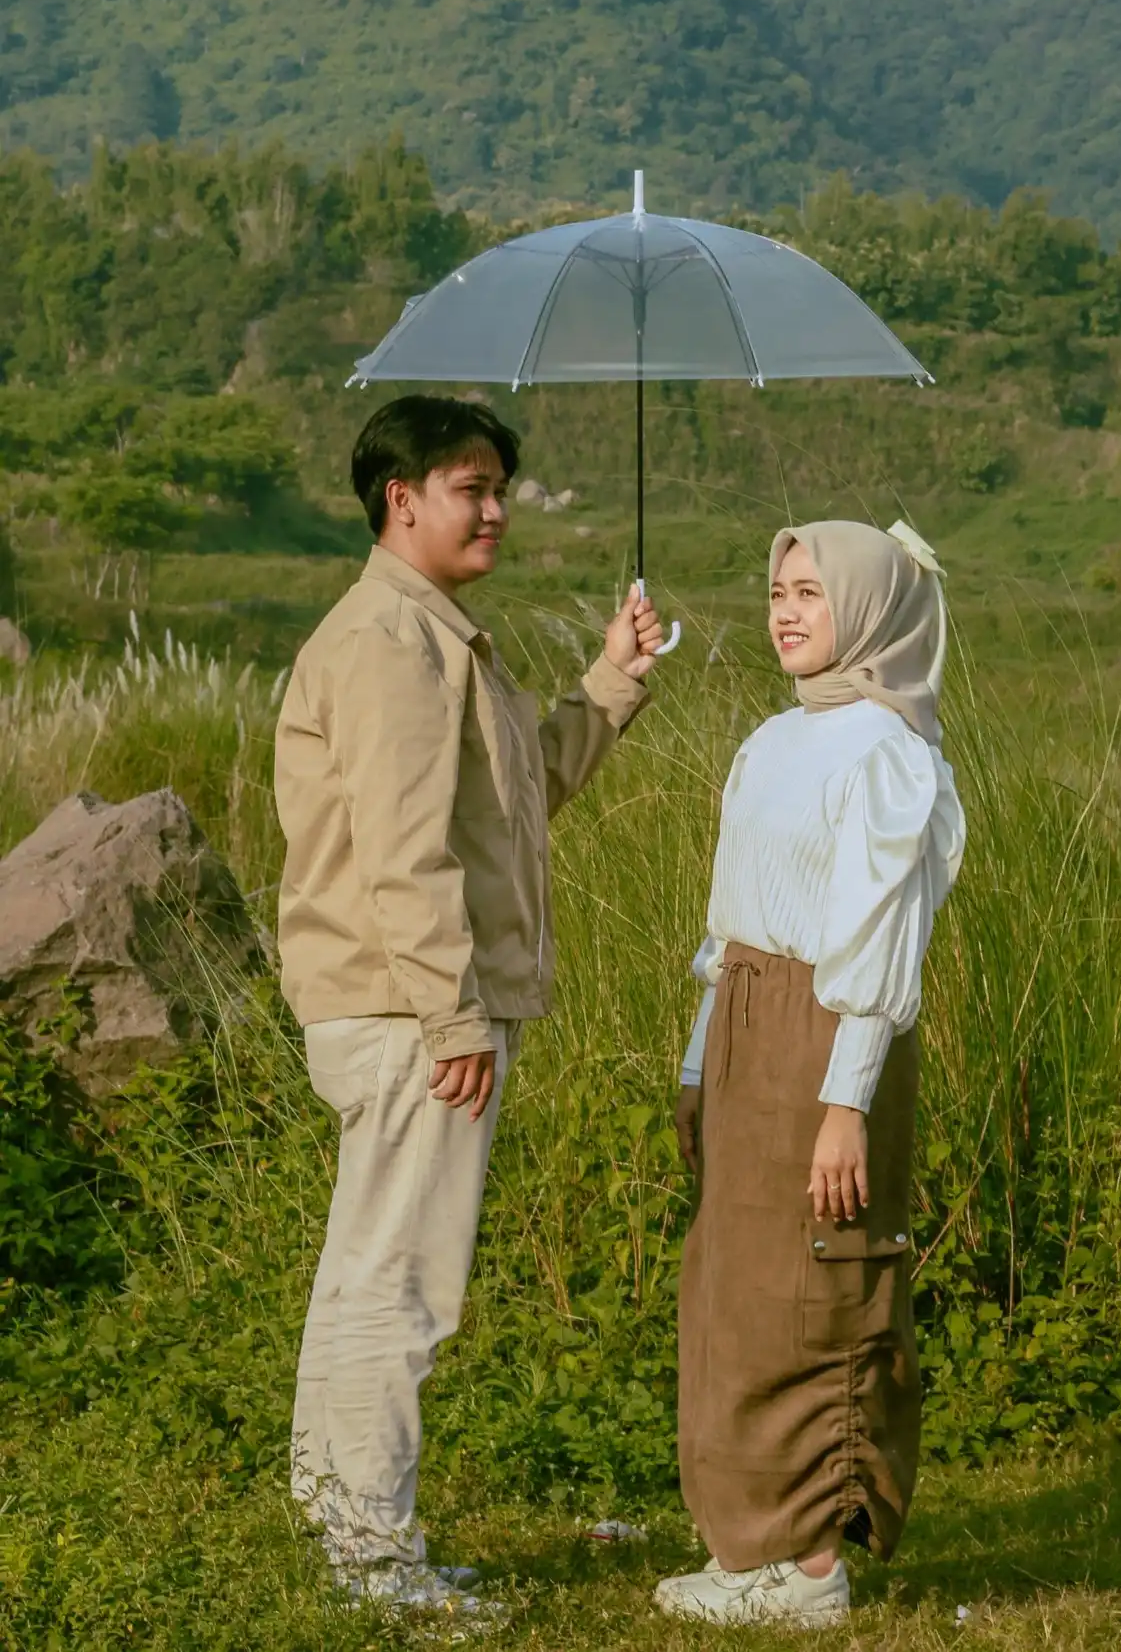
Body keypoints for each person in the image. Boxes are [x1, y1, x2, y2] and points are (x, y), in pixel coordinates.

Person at [273, 394, 663, 1611]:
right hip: (408, 1010)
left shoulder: (431, 635)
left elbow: (515, 799)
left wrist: (612, 677)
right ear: (402, 500)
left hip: (396, 1003)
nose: (496, 509)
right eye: (470, 487)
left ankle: (340, 1530)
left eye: (500, 487)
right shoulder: (392, 643)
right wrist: (452, 1016)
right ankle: (375, 1559)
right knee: (403, 1285)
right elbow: (404, 854)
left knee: (363, 1275)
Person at [657, 519, 966, 1626]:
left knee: (814, 1283)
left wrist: (846, 1102)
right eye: (778, 590)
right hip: (748, 1020)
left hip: (827, 1035)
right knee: (736, 1287)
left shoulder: (888, 752)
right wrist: (701, 1059)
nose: (785, 611)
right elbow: (729, 923)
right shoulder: (773, 737)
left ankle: (810, 1567)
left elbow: (879, 946)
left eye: (811, 593)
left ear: (870, 611)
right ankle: (748, 1543)